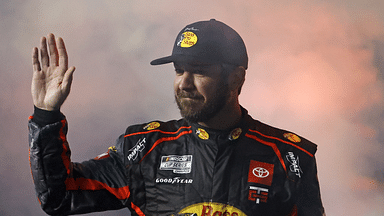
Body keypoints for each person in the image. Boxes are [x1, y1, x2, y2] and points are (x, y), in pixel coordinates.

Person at [28, 19, 325, 216]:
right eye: (178, 70)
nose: (184, 83)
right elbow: (59, 196)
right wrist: (45, 115)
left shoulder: (290, 157)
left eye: (198, 70)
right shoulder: (143, 149)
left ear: (236, 78)